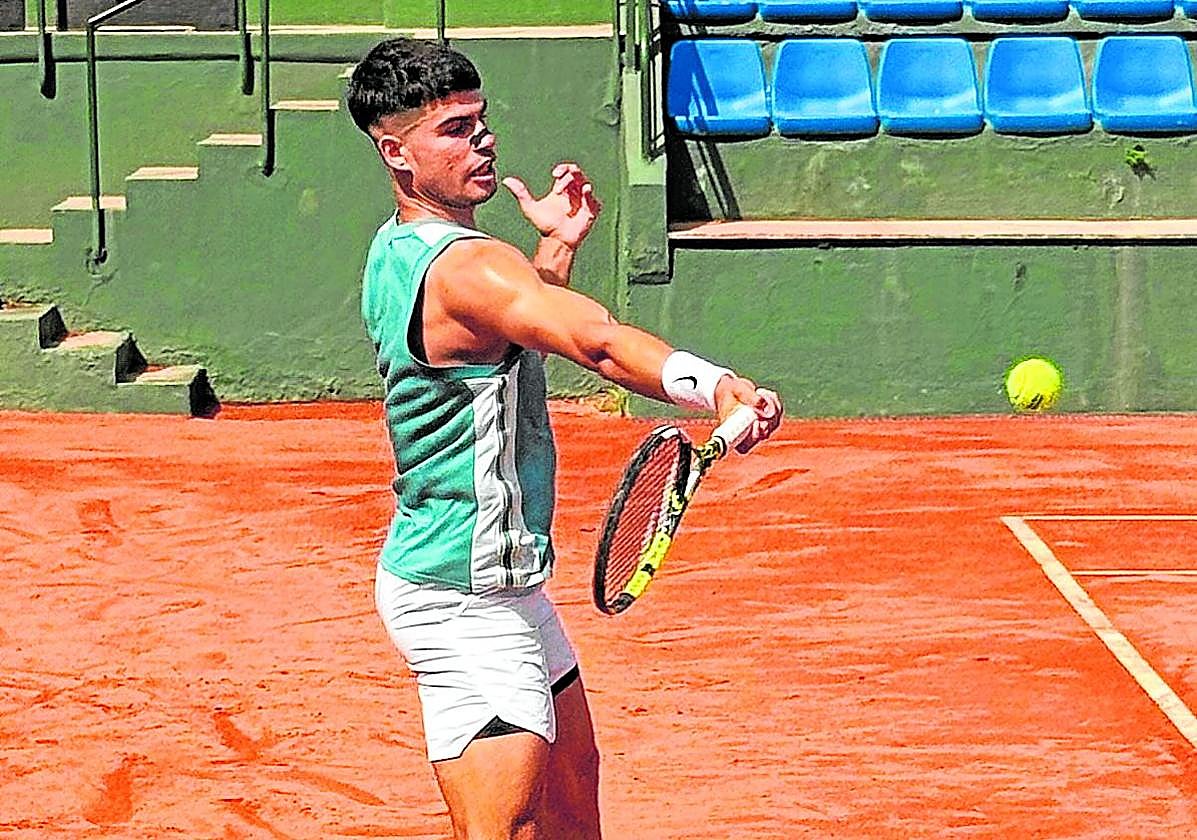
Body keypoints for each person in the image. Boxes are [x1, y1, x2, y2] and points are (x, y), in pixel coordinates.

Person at [345, 37, 783, 840]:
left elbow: (514, 326)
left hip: (505, 586)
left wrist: (554, 252)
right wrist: (710, 384)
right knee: (504, 829)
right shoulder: (469, 267)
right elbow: (597, 343)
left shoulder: (406, 248)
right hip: (462, 598)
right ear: (395, 152)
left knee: (574, 791)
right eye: (452, 128)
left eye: (480, 121)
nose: (481, 139)